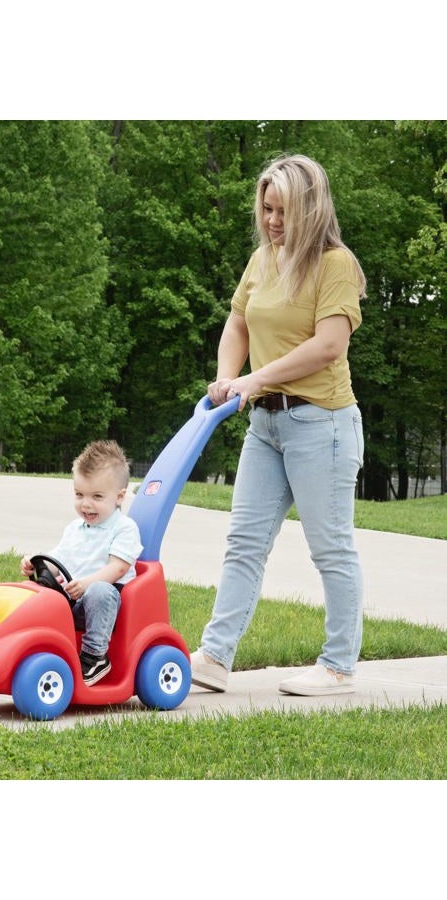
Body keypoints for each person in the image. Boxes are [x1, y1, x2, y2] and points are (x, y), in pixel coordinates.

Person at [191, 153, 366, 697]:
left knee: (330, 546)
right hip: (266, 426)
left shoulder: (335, 264)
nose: (271, 221)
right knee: (243, 542)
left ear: (310, 210)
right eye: (267, 209)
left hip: (324, 425)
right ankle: (216, 657)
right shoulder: (262, 259)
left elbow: (327, 345)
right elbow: (238, 323)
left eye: (283, 212)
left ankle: (338, 666)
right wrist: (228, 380)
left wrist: (253, 380)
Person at [20, 440, 143, 686]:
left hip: (106, 605)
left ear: (119, 497)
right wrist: (37, 563)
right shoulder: (75, 528)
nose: (86, 504)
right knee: (35, 593)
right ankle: (33, 649)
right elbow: (58, 558)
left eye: (97, 496)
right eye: (79, 495)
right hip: (73, 601)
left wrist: (87, 584)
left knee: (99, 590)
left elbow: (117, 568)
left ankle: (95, 655)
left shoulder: (124, 528)